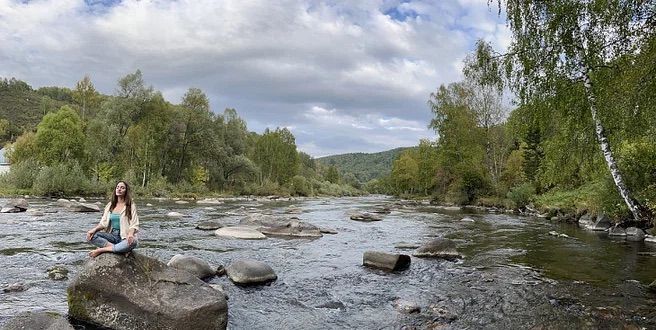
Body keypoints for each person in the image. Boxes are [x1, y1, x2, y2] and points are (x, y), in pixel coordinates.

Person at [86, 181, 140, 258]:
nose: (119, 189)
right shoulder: (110, 205)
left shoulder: (130, 205)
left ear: (126, 191)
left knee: (133, 242)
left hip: (125, 237)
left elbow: (134, 224)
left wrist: (131, 234)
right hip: (112, 236)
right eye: (117, 187)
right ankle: (120, 249)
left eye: (122, 188)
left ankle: (102, 250)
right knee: (91, 236)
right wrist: (94, 230)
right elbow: (103, 223)